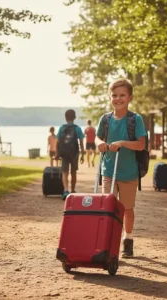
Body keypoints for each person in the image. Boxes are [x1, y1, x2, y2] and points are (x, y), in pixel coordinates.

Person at [96, 78, 146, 258]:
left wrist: (123, 143)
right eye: (114, 95)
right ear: (110, 97)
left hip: (128, 173)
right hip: (108, 170)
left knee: (126, 208)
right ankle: (108, 241)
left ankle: (128, 239)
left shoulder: (135, 119)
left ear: (130, 97)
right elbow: (98, 138)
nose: (118, 98)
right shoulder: (105, 119)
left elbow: (141, 145)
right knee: (108, 206)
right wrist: (101, 143)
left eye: (122, 95)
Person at [56, 109, 85, 200]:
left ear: (65, 117)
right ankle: (72, 190)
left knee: (64, 172)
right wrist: (82, 154)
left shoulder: (61, 128)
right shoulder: (77, 128)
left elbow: (57, 142)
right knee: (73, 172)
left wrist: (57, 153)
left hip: (64, 153)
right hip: (74, 153)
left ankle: (65, 190)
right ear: (75, 117)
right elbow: (81, 142)